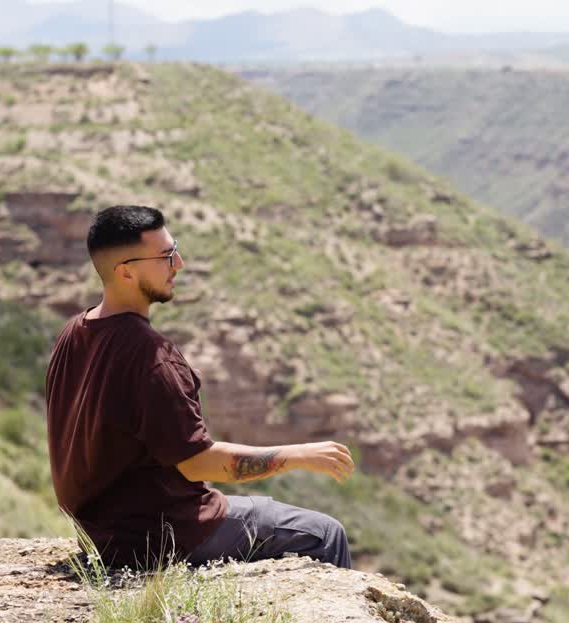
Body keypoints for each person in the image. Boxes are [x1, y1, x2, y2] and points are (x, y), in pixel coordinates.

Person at [45, 205, 354, 571]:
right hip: (164, 536)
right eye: (166, 257)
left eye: (174, 250)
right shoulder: (151, 358)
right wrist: (299, 456)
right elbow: (200, 463)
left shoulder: (74, 332)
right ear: (126, 271)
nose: (180, 264)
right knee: (326, 534)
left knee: (262, 512)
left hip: (101, 531)